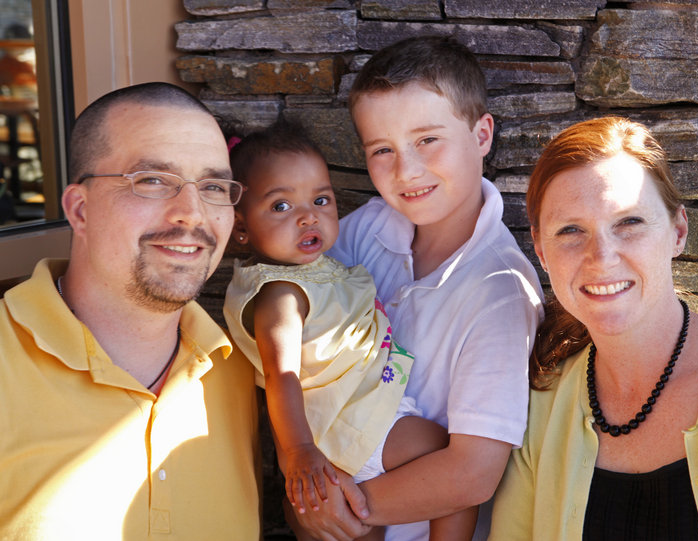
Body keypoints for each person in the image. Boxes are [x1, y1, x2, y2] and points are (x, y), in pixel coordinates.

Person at [489, 116, 698, 540]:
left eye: (629, 223)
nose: (602, 257)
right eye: (571, 231)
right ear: (542, 252)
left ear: (678, 231)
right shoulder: (540, 404)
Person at [289, 36, 545, 540]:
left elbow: (472, 473)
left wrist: (336, 509)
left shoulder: (500, 291)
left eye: (428, 139)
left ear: (481, 135)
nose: (406, 170)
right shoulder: (364, 232)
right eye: (382, 149)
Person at [0, 82, 261, 539]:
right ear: (80, 210)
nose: (192, 214)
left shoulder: (239, 367)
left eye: (214, 185)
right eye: (153, 181)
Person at [223, 120, 479, 540]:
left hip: (353, 421)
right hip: (348, 425)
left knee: (361, 532)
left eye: (321, 200)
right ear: (241, 227)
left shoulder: (316, 270)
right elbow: (279, 376)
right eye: (281, 206)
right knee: (447, 459)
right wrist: (300, 452)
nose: (309, 217)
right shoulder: (280, 295)